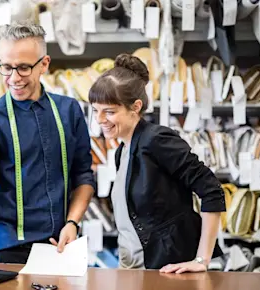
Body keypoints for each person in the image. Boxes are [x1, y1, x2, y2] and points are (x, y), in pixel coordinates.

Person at [0, 22, 96, 266]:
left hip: (61, 245)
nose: (13, 78)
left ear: (44, 64)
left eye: (23, 68)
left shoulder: (69, 111)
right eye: (6, 67)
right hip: (7, 248)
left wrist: (72, 223)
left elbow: (83, 176)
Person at [88, 54, 226, 273]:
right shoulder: (122, 151)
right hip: (131, 269)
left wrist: (202, 260)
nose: (100, 119)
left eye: (109, 112)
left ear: (135, 106)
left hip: (165, 270)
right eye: (95, 110)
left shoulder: (157, 140)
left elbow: (211, 190)